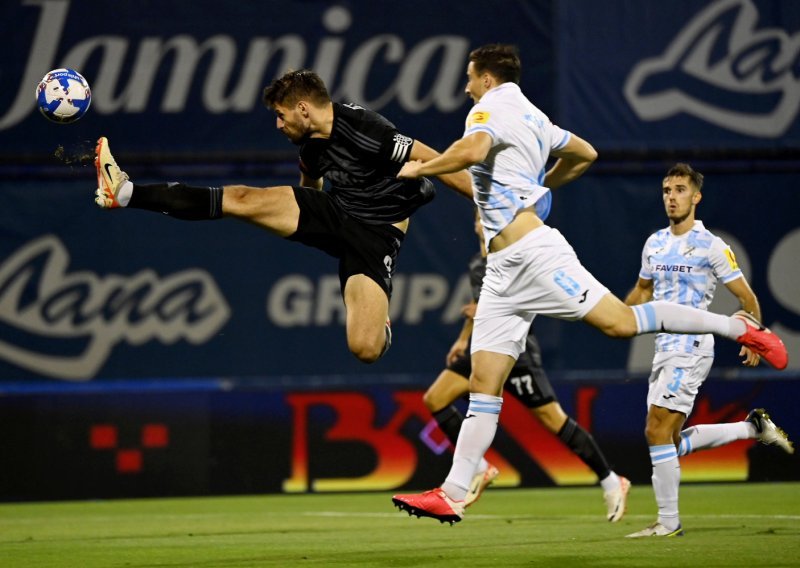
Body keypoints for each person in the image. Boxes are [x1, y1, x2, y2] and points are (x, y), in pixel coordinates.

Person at [390, 43, 787, 525]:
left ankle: (738, 328)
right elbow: (584, 153)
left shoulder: (489, 107)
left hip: (533, 253)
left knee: (619, 323)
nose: (466, 87)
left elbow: (471, 151)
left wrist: (423, 167)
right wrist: (543, 186)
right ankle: (453, 492)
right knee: (483, 384)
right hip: (502, 270)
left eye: (470, 77)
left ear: (487, 78)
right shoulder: (534, 116)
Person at [93, 69, 472, 364]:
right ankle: (125, 192)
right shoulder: (310, 145)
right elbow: (311, 186)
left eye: (280, 114)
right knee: (242, 198)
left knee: (365, 348)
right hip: (336, 213)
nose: (278, 124)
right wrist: (307, 219)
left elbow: (439, 160)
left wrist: (489, 204)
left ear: (303, 109)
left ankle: (380, 324)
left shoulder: (367, 130)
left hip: (378, 234)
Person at [622, 163, 794, 538]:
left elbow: (746, 297)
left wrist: (752, 337)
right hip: (662, 348)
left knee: (655, 430)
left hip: (692, 347)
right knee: (668, 440)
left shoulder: (712, 246)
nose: (672, 197)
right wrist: (616, 315)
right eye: (667, 190)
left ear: (696, 197)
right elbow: (643, 291)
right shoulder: (654, 242)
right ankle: (752, 427)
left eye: (680, 190)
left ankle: (668, 522)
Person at [426, 212, 630, 521]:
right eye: (478, 218)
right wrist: (462, 339)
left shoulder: (514, 256)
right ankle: (480, 467)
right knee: (435, 398)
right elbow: (482, 309)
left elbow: (523, 303)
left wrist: (486, 310)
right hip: (486, 352)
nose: (481, 222)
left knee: (553, 420)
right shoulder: (477, 265)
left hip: (517, 351)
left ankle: (612, 481)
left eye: (485, 217)